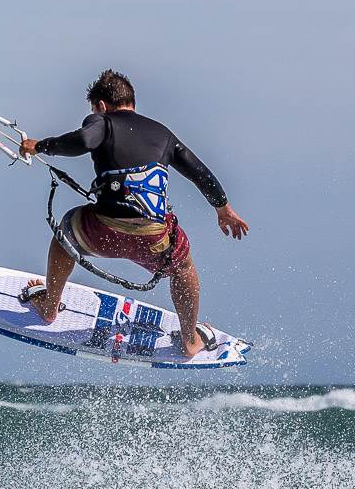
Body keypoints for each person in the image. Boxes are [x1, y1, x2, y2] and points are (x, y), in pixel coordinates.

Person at [20, 69, 249, 358]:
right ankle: (190, 340)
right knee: (183, 268)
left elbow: (84, 140)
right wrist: (223, 209)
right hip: (153, 239)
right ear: (133, 103)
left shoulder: (102, 121)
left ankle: (50, 306)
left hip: (102, 232)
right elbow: (199, 172)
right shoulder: (163, 134)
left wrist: (41, 146)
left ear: (101, 105)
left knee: (64, 235)